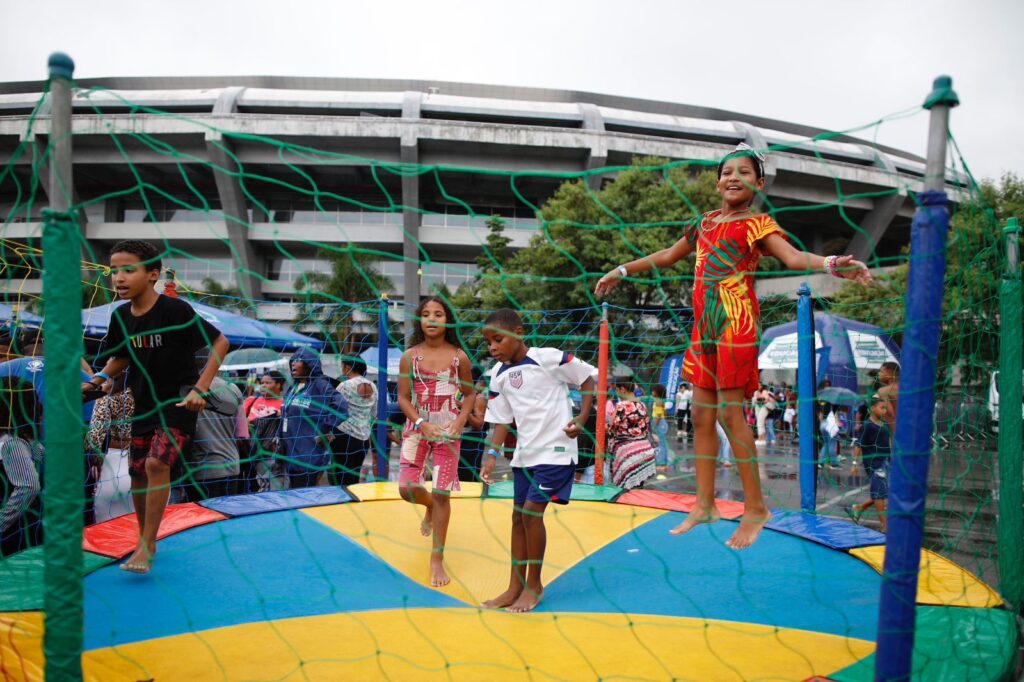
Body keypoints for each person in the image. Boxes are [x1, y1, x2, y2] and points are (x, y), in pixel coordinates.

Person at [595, 142, 873, 548]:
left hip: (735, 323)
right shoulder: (703, 223)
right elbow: (669, 255)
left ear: (759, 183)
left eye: (744, 172)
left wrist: (832, 264)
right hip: (704, 328)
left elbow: (793, 258)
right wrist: (621, 270)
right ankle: (704, 503)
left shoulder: (757, 223)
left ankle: (756, 508)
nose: (733, 178)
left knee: (730, 414)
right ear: (717, 182)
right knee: (701, 415)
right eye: (726, 172)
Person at [84, 239, 230, 574]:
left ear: (153, 274)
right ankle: (143, 536)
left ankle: (148, 543)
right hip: (144, 404)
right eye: (114, 271)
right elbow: (122, 355)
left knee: (155, 463)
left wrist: (201, 387)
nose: (119, 278)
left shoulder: (174, 310)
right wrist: (99, 378)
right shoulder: (121, 316)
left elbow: (220, 341)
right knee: (137, 472)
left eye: (128, 270)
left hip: (179, 400)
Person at [479, 308, 596, 613]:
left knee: (532, 513)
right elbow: (501, 419)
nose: (492, 347)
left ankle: (534, 585)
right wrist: (491, 456)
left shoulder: (548, 358)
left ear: (518, 333)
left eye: (498, 339)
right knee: (518, 517)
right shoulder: (498, 374)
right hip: (524, 457)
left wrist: (582, 418)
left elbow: (587, 379)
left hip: (556, 453)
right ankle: (514, 587)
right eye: (488, 342)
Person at [396, 296, 475, 588]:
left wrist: (460, 421)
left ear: (447, 320)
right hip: (417, 428)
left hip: (448, 431)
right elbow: (403, 397)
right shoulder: (409, 357)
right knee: (407, 489)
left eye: (438, 314)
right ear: (419, 320)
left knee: (443, 493)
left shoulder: (459, 357)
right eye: (426, 313)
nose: (432, 318)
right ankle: (429, 505)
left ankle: (437, 558)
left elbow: (470, 394)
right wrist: (421, 423)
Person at [278, 346, 347, 489]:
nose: (293, 364)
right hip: (289, 453)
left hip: (308, 454)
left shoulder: (319, 384)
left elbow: (341, 406)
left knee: (304, 493)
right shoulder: (293, 387)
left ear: (310, 363)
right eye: (292, 361)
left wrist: (325, 428)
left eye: (298, 360)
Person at [184, 352, 244, 501]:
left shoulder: (185, 390)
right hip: (231, 466)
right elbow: (242, 433)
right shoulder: (233, 388)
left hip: (199, 470)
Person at [0, 377, 42, 556]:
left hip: (13, 532)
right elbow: (41, 454)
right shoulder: (22, 437)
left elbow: (29, 486)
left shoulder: (11, 443)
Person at [86, 374, 135, 522]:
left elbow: (95, 436)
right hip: (147, 462)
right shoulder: (146, 392)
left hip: (115, 466)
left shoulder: (107, 394)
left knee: (108, 527)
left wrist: (95, 462)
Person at [846, 394, 891, 532]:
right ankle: (884, 525)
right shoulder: (867, 426)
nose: (884, 411)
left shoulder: (884, 424)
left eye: (885, 408)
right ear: (872, 408)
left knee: (884, 492)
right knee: (879, 494)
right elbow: (858, 445)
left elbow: (887, 444)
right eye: (882, 408)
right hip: (874, 464)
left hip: (886, 462)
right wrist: (854, 464)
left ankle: (858, 508)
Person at [330, 357, 377, 487]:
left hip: (343, 435)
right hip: (363, 438)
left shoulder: (344, 385)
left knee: (339, 476)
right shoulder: (373, 386)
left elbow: (333, 410)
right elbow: (375, 413)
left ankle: (340, 498)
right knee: (354, 476)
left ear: (347, 367)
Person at [607, 374, 657, 489]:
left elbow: (611, 429)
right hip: (644, 453)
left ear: (622, 389)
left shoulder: (621, 406)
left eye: (617, 390)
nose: (616, 393)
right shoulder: (642, 405)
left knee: (624, 493)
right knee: (637, 492)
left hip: (627, 455)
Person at [242, 371, 286, 492]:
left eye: (268, 382)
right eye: (262, 383)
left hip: (270, 455)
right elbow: (238, 421)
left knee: (270, 487)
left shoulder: (285, 404)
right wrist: (244, 423)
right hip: (249, 453)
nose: (263, 385)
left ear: (279, 384)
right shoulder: (251, 400)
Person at [457, 366, 489, 482]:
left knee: (468, 476)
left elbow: (479, 424)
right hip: (459, 440)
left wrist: (464, 408)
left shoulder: (478, 399)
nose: (457, 385)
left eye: (460, 382)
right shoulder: (460, 396)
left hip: (471, 443)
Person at [649, 384, 670, 468]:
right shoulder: (659, 401)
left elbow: (658, 415)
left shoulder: (658, 401)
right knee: (661, 443)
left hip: (659, 423)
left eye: (653, 391)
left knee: (660, 444)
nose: (652, 392)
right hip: (661, 422)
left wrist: (654, 426)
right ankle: (663, 461)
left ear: (658, 392)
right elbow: (664, 413)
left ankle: (662, 463)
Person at [818, 402, 841, 470]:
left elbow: (820, 416)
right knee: (832, 445)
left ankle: (821, 463)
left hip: (823, 424)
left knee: (826, 444)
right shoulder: (835, 405)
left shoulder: (824, 403)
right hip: (831, 426)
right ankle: (834, 464)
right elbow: (836, 418)